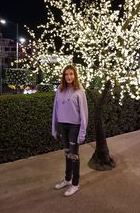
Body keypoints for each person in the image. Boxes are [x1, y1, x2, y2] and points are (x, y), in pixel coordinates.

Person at [52, 64, 88, 197]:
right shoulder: (59, 90)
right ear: (63, 76)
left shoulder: (79, 91)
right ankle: (67, 179)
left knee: (74, 155)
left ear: (75, 75)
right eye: (66, 74)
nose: (69, 77)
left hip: (74, 127)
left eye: (71, 74)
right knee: (67, 154)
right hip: (63, 126)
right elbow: (55, 111)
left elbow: (84, 113)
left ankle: (75, 184)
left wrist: (82, 133)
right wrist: (54, 128)